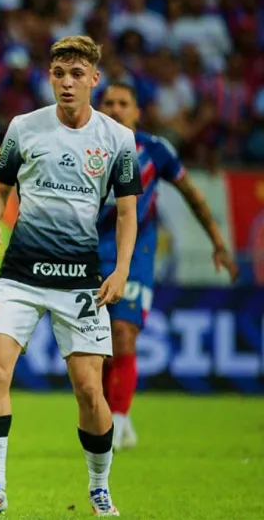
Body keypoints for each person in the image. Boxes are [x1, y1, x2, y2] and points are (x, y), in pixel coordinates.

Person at [0, 36, 142, 517]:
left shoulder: (117, 140)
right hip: (19, 278)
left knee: (90, 391)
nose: (66, 83)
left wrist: (122, 270)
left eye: (76, 74)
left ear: (94, 79)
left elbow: (128, 213)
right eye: (58, 73)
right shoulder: (23, 128)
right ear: (50, 77)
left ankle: (98, 486)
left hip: (80, 283)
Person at [97, 83, 237, 450]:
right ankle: (111, 415)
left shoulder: (155, 150)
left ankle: (119, 421)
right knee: (97, 346)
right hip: (89, 253)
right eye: (108, 102)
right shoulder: (81, 145)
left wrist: (218, 243)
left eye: (123, 103)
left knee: (124, 334)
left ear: (137, 111)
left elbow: (191, 192)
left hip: (137, 253)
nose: (115, 109)